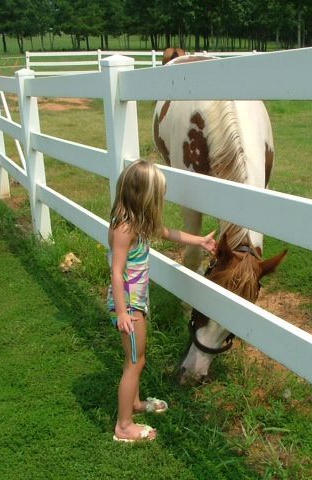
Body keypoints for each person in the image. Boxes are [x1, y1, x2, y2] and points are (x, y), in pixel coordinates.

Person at [107, 159, 216, 442]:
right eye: (158, 196)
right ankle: (124, 426)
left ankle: (134, 403)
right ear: (144, 196)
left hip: (136, 303)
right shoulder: (125, 229)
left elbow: (168, 233)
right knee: (134, 361)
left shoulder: (139, 223)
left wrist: (200, 241)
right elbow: (116, 273)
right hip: (128, 307)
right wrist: (121, 312)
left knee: (137, 359)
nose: (161, 201)